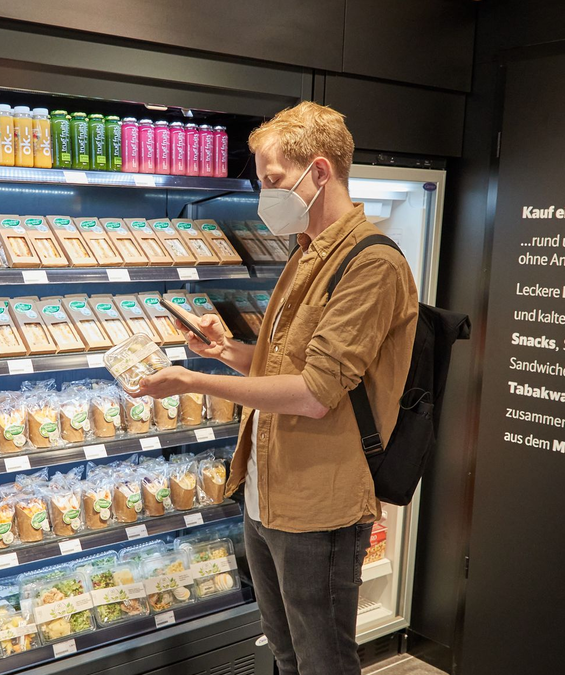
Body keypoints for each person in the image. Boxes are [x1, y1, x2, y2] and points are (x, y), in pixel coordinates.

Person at [136, 101, 418, 675]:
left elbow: (316, 393)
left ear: (319, 171)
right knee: (286, 652)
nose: (266, 195)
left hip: (320, 502)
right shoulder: (306, 254)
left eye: (273, 181)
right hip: (268, 491)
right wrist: (230, 353)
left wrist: (194, 380)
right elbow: (283, 366)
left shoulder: (373, 264)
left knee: (322, 659)